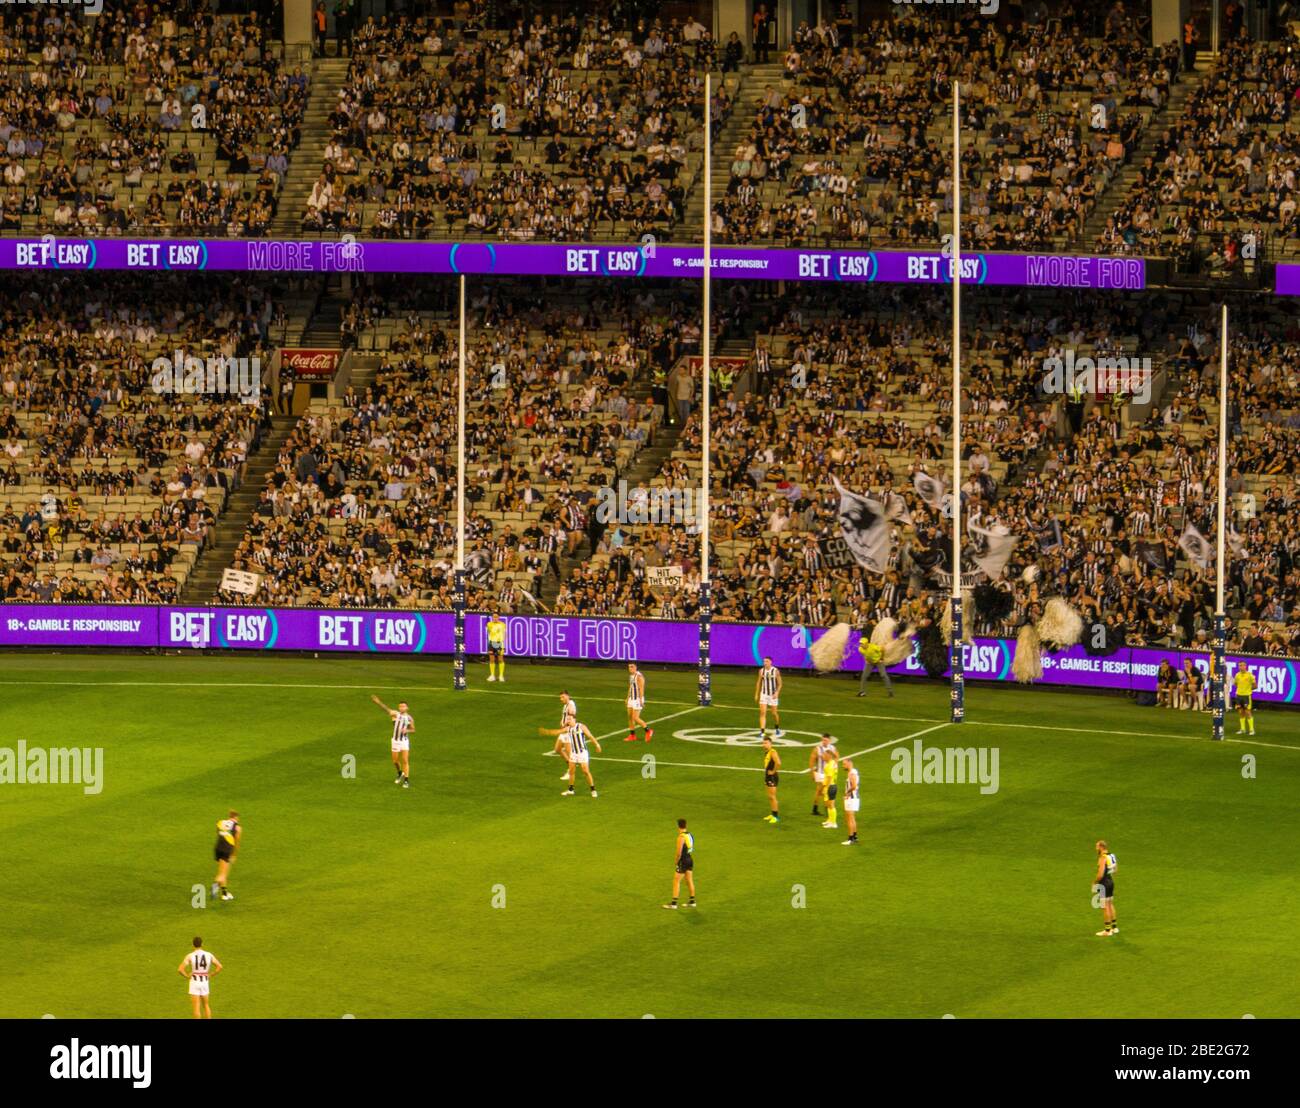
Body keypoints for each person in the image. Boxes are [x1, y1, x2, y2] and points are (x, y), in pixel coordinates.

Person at [541, 718, 601, 797]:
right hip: (574, 753)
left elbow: (590, 736)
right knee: (571, 771)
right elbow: (557, 732)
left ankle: (593, 790)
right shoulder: (568, 729)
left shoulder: (581, 726)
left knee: (585, 771)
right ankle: (570, 790)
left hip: (582, 753)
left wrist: (597, 745)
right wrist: (547, 732)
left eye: (570, 719)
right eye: (568, 720)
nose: (568, 720)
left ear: (574, 720)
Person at [372, 695, 413, 787]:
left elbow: (413, 729)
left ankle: (406, 780)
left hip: (404, 741)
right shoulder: (395, 714)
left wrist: (407, 730)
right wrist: (378, 702)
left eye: (403, 706)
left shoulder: (409, 718)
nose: (402, 707)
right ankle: (400, 773)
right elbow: (386, 709)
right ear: (399, 707)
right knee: (395, 761)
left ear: (407, 708)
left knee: (405, 761)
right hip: (395, 741)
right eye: (400, 706)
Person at [178, 936, 222, 1019]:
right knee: (206, 1005)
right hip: (205, 982)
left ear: (193, 945)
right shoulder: (209, 955)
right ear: (202, 944)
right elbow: (219, 967)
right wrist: (211, 974)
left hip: (194, 981)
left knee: (196, 1007)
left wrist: (187, 976)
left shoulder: (190, 956)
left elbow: (180, 969)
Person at [663, 818, 696, 908]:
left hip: (683, 861)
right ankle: (692, 901)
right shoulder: (690, 835)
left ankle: (674, 904)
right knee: (689, 880)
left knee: (676, 881)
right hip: (690, 859)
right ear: (686, 825)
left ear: (678, 826)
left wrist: (676, 861)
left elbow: (678, 852)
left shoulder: (681, 837)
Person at [211, 810, 240, 901]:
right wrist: (234, 855)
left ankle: (224, 894)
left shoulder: (220, 822)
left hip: (218, 848)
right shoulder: (238, 828)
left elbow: (218, 832)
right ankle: (215, 885)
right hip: (226, 850)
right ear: (235, 817)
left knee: (221, 870)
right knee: (223, 874)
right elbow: (237, 842)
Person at [809, 733, 838, 819]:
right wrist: (812, 772)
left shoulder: (832, 748)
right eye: (823, 740)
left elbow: (837, 756)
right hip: (820, 773)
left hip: (828, 773)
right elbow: (811, 761)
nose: (824, 742)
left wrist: (835, 765)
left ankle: (815, 809)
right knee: (823, 791)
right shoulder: (817, 748)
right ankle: (827, 810)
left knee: (821, 792)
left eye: (825, 740)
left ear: (829, 740)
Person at [1093, 840, 1118, 936]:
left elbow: (1100, 874)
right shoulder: (1112, 856)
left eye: (1097, 846)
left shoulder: (1102, 858)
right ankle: (1114, 927)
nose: (1096, 848)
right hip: (1111, 881)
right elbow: (1115, 870)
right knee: (1110, 904)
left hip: (1103, 883)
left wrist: (1095, 882)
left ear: (1101, 847)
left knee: (1104, 906)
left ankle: (1107, 931)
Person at [754, 656, 783, 738]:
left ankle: (777, 727)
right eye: (764, 661)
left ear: (771, 662)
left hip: (773, 695)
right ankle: (762, 732)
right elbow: (758, 682)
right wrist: (757, 694)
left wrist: (777, 692)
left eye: (766, 661)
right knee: (762, 713)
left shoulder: (775, 671)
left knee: (774, 713)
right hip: (764, 694)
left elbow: (780, 683)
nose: (764, 663)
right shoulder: (761, 671)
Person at [624, 662, 653, 742]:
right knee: (630, 717)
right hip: (631, 699)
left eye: (632, 667)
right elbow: (630, 687)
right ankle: (632, 735)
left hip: (637, 699)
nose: (630, 668)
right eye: (629, 667)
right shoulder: (631, 676)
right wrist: (627, 698)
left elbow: (641, 689)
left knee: (635, 718)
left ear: (636, 667)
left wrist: (640, 700)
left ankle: (648, 730)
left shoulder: (639, 677)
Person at [762, 736, 781, 824]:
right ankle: (772, 814)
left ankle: (776, 817)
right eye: (763, 743)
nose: (764, 745)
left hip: (772, 777)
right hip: (768, 776)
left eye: (766, 743)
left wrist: (773, 771)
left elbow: (778, 763)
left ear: (771, 744)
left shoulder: (773, 752)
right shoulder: (767, 752)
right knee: (770, 797)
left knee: (772, 797)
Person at [1233, 664, 1256, 735]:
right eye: (1240, 666)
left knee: (1247, 712)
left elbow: (1255, 686)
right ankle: (1243, 729)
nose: (1241, 667)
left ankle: (1252, 730)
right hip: (1239, 696)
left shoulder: (1250, 675)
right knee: (1240, 712)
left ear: (1245, 666)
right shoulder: (1237, 675)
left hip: (1246, 696)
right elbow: (1236, 684)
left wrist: (1248, 689)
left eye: (1243, 665)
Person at [841, 759, 860, 845]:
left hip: (851, 798)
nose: (843, 766)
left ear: (849, 763)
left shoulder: (852, 773)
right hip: (854, 798)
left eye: (844, 764)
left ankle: (850, 838)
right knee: (852, 819)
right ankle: (855, 837)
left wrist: (847, 793)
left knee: (849, 819)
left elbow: (854, 786)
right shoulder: (854, 772)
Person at [486, 611, 507, 682]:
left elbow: (503, 633)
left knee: (500, 659)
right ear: (492, 617)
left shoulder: (502, 624)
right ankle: (492, 675)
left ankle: (501, 676)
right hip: (491, 643)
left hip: (499, 644)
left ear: (499, 617)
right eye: (493, 617)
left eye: (496, 617)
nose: (495, 618)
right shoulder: (489, 624)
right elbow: (489, 632)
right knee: (492, 660)